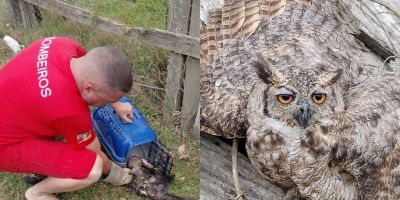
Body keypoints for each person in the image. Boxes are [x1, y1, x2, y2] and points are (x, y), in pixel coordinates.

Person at [0, 37, 136, 200]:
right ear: (88, 89)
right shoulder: (68, 110)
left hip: (14, 112)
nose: (108, 104)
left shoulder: (63, 45)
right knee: (92, 167)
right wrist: (119, 175)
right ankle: (38, 193)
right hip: (6, 147)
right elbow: (94, 152)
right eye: (106, 101)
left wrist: (116, 102)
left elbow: (96, 71)